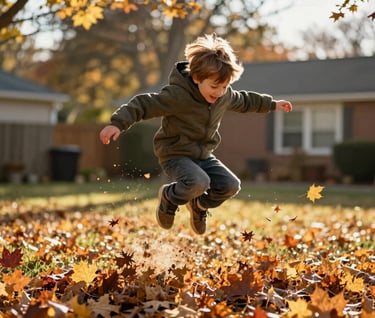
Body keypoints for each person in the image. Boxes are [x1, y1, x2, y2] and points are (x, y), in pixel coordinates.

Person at [99, 33, 292, 235]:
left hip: (203, 156)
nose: (219, 92)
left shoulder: (223, 96)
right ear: (197, 77)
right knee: (200, 182)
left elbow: (245, 101)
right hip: (175, 154)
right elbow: (144, 104)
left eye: (225, 86)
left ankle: (199, 206)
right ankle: (169, 197)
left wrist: (272, 104)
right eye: (214, 86)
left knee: (231, 185)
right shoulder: (178, 95)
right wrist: (117, 124)